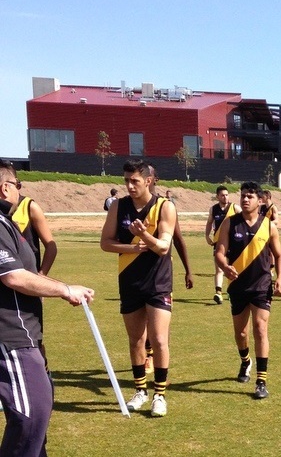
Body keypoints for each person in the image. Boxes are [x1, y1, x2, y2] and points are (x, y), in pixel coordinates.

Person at [0, 159, 94, 456]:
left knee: (36, 421)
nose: (20, 190)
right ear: (5, 188)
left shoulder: (7, 224)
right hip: (12, 338)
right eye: (18, 185)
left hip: (24, 337)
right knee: (31, 418)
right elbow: (13, 276)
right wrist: (65, 289)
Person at [100, 159, 177, 417]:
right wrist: (132, 248)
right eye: (126, 181)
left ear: (148, 180)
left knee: (159, 339)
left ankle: (160, 395)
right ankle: (140, 391)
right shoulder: (118, 207)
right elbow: (106, 243)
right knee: (136, 341)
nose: (129, 186)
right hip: (129, 281)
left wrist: (144, 236)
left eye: (134, 181)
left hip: (158, 282)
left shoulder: (165, 207)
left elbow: (164, 246)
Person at [214, 182, 281, 399]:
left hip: (262, 285)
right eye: (243, 196)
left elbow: (279, 255)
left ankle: (261, 381)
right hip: (237, 286)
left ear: (260, 200)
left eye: (250, 196)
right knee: (241, 333)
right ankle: (246, 361)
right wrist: (225, 267)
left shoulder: (269, 226)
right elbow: (219, 252)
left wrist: (280, 277)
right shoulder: (229, 224)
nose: (245, 199)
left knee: (260, 328)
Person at [144, 165, 193, 374]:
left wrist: (188, 270)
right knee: (143, 320)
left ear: (154, 179)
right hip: (137, 275)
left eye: (149, 176)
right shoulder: (129, 207)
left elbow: (179, 240)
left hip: (162, 275)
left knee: (160, 322)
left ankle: (156, 358)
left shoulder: (165, 207)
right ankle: (147, 356)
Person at [12, 177, 59, 375]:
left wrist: (41, 276)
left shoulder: (29, 206)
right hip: (5, 282)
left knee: (33, 338)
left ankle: (44, 378)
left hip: (27, 285)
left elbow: (51, 246)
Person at [205, 186, 241, 304]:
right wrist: (207, 236)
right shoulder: (213, 209)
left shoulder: (234, 207)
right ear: (217, 197)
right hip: (218, 243)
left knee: (232, 267)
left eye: (226, 195)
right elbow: (209, 222)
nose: (225, 197)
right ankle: (218, 293)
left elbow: (244, 219)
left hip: (233, 242)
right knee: (219, 268)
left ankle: (232, 291)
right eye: (222, 195)